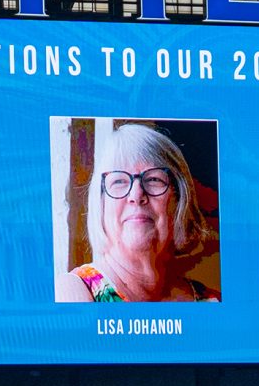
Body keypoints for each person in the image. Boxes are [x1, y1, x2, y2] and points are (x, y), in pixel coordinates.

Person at [68, 120, 218, 303]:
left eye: (154, 179)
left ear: (180, 199)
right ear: (100, 204)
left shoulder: (211, 301)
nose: (136, 195)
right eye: (119, 181)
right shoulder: (75, 291)